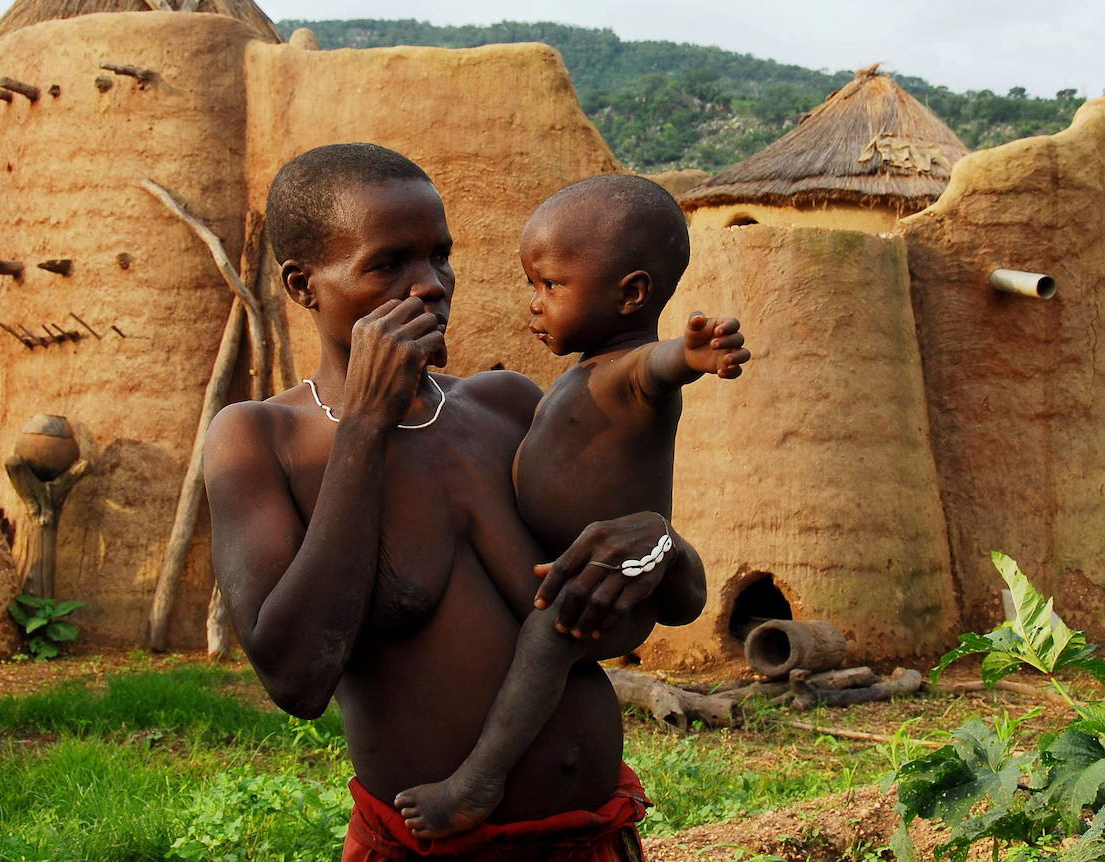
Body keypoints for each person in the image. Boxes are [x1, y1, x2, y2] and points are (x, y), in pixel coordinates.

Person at [204, 144, 708, 862]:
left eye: (440, 256)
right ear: (303, 285)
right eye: (388, 264)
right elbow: (297, 679)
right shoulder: (261, 440)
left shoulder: (508, 407)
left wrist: (657, 543)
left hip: (594, 839)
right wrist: (365, 425)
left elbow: (645, 613)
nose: (431, 284)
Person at [394, 174, 749, 838]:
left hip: (612, 587)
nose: (535, 304)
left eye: (551, 286)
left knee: (545, 638)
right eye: (532, 285)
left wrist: (691, 354)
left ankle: (479, 779)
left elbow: (660, 365)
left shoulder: (631, 372)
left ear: (631, 294)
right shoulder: (582, 372)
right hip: (575, 571)